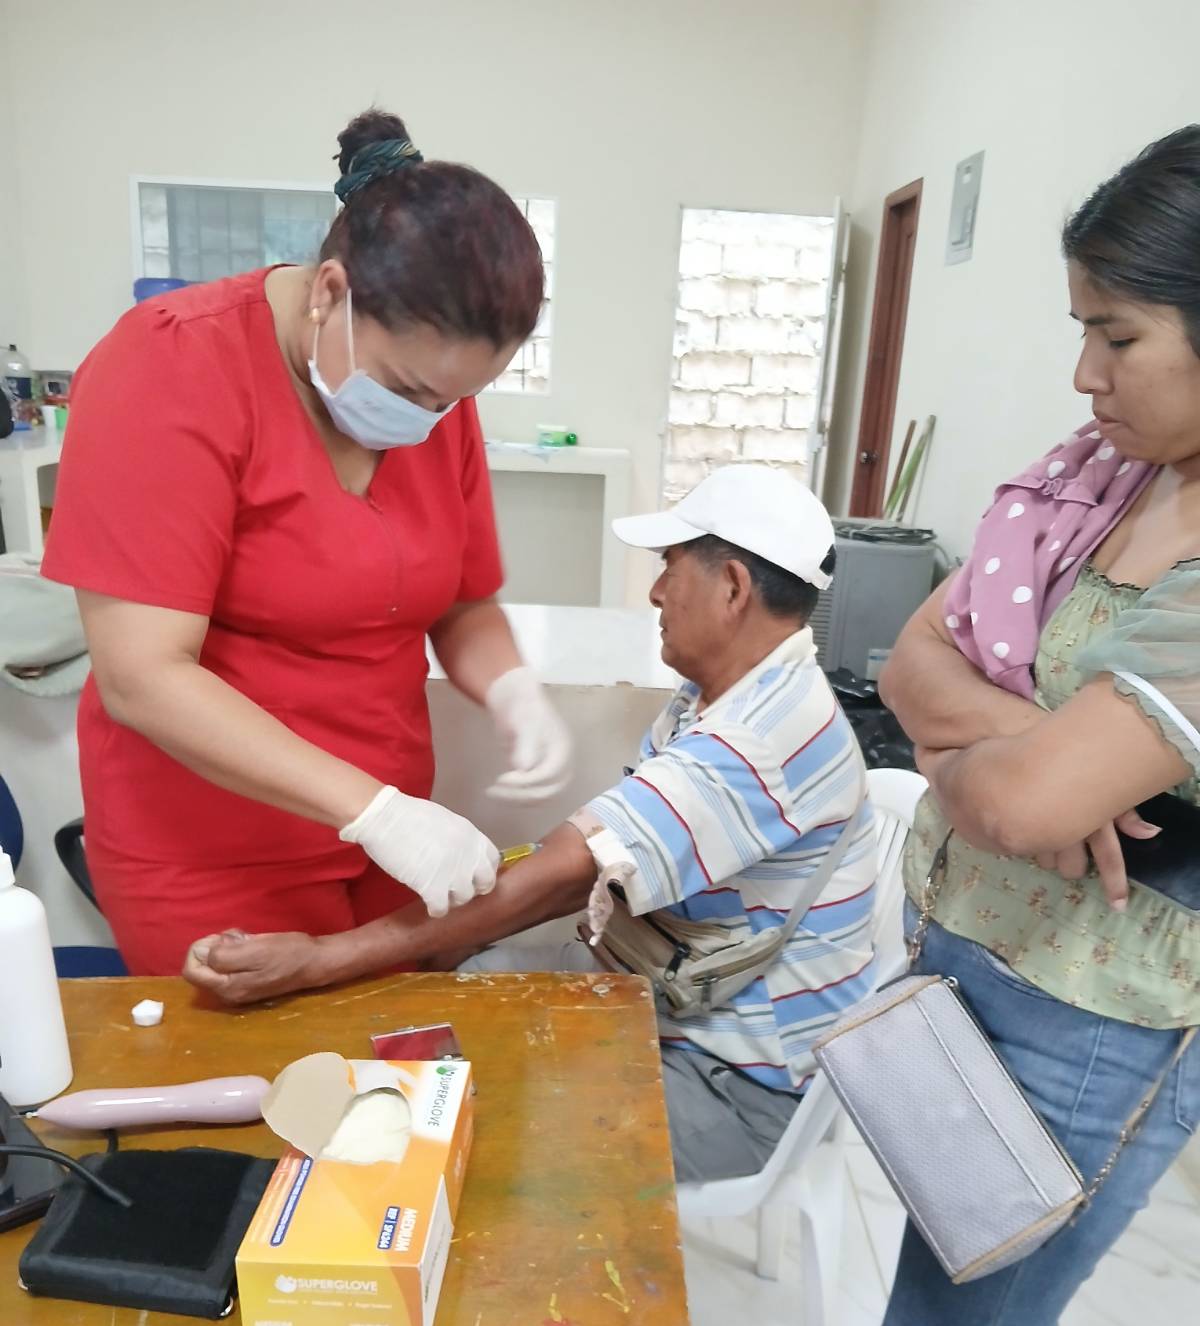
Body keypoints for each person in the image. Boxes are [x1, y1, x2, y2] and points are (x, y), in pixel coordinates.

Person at [803, 125, 1200, 1326]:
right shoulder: (1104, 476)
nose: (1086, 375)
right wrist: (1019, 753)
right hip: (974, 965)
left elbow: (1025, 802)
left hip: (1095, 1024)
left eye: (1120, 335)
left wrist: (988, 764)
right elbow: (908, 652)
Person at [185, 465, 878, 1182]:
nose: (655, 593)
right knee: (457, 989)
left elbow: (566, 874)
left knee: (467, 1123)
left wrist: (316, 960)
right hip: (674, 999)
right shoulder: (724, 693)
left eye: (670, 567)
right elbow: (592, 852)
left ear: (732, 587)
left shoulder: (755, 738)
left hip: (737, 1082)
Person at [41, 108, 571, 976]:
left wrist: (511, 688)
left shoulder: (431, 396)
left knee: (396, 1052)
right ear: (328, 292)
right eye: (411, 389)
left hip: (389, 837)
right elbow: (144, 675)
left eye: (454, 400)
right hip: (210, 846)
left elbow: (462, 600)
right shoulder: (170, 367)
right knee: (266, 1058)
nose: (430, 419)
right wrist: (375, 812)